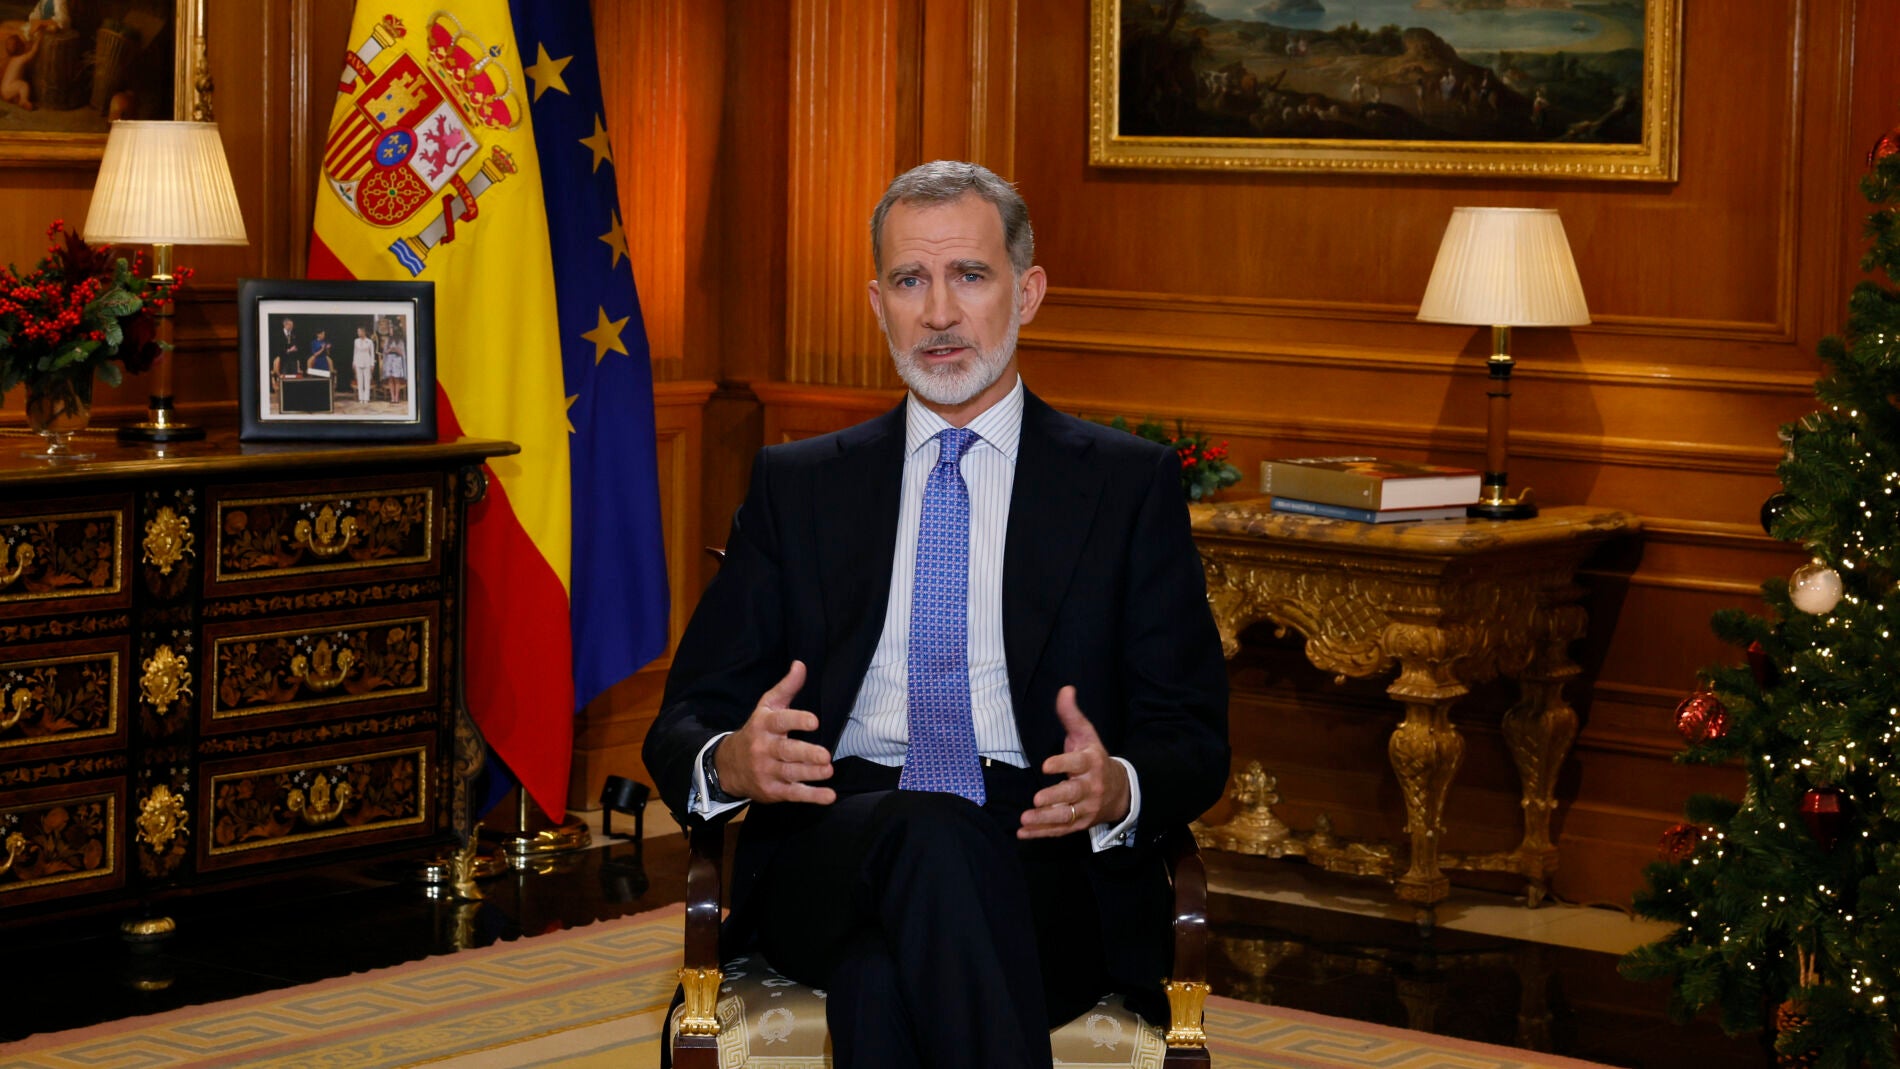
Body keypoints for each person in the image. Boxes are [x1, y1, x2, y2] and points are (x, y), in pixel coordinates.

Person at [644, 160, 1229, 1069]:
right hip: (835, 838)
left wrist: (1115, 784)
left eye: (971, 276)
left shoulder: (1123, 486)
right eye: (912, 281)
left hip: (1043, 852)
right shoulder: (800, 488)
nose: (941, 314)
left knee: (881, 985)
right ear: (877, 303)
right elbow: (680, 721)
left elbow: (1192, 733)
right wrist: (734, 758)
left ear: (1027, 293)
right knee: (923, 827)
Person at [352, 325, 376, 403]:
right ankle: (361, 398)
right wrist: (354, 362)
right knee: (360, 380)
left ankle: (366, 398)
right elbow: (355, 352)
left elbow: (372, 353)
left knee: (367, 380)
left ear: (363, 332)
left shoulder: (369, 341)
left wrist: (372, 364)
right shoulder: (356, 341)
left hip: (367, 362)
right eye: (357, 331)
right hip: (358, 361)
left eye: (359, 331)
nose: (358, 333)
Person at [381, 330, 407, 404]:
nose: (390, 332)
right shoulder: (388, 340)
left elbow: (402, 353)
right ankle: (392, 398)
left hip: (397, 360)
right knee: (390, 379)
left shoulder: (400, 341)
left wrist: (396, 349)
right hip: (389, 360)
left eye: (392, 330)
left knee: (396, 379)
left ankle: (397, 397)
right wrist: (389, 350)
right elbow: (385, 352)